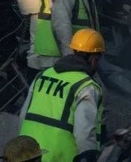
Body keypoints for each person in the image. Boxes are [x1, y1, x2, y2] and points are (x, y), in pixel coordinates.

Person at [19, 29, 105, 162]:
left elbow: (23, 115)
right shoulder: (86, 86)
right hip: (59, 156)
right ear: (94, 60)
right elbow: (84, 131)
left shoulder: (43, 75)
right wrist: (87, 156)